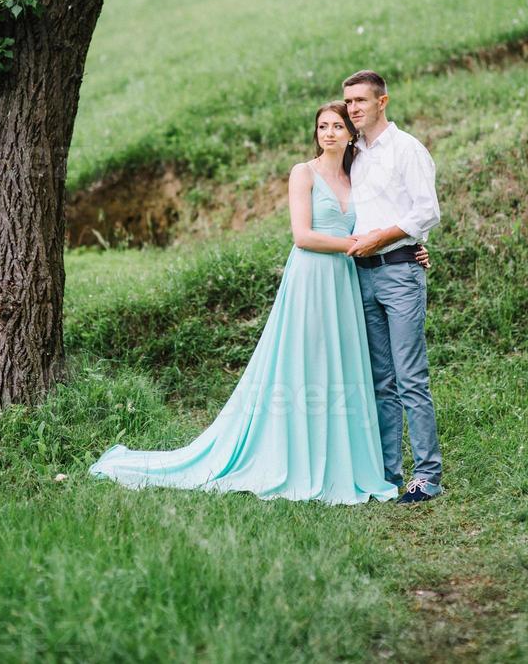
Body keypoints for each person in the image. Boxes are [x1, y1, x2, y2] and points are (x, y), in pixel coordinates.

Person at [88, 101, 430, 505]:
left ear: (351, 133)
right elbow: (302, 236)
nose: (330, 133)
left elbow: (388, 214)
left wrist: (413, 247)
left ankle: (344, 456)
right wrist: (359, 244)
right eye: (323, 126)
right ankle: (294, 455)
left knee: (340, 366)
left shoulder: (358, 175)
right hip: (311, 277)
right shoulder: (303, 173)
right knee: (303, 364)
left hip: (344, 280)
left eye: (338, 126)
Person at [343, 70, 443, 503]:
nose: (353, 109)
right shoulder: (354, 155)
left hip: (400, 273)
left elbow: (427, 212)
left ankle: (427, 476)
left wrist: (384, 239)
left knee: (410, 377)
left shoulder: (407, 149)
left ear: (382, 102)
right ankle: (387, 471)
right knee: (380, 379)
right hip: (362, 277)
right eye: (349, 102)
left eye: (361, 101)